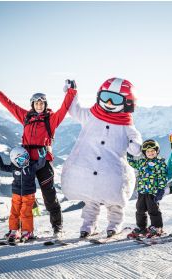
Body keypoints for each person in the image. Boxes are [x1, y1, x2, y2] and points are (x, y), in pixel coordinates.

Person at [0, 79, 77, 237]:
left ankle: (57, 226)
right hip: (25, 163)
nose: (39, 106)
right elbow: (11, 106)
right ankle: (20, 230)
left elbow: (63, 109)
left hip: (43, 163)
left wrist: (72, 92)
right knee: (22, 197)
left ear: (45, 105)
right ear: (32, 105)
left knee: (49, 196)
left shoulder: (50, 120)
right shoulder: (26, 117)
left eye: (42, 103)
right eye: (36, 103)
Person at [61, 78, 142, 238]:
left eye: (116, 99)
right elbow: (74, 110)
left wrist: (135, 145)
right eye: (106, 97)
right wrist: (71, 93)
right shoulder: (91, 115)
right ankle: (88, 225)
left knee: (115, 202)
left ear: (127, 101)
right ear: (99, 96)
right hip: (91, 169)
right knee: (91, 200)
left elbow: (135, 140)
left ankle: (115, 224)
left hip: (112, 171)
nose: (110, 102)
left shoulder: (126, 125)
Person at [0, 146, 46, 242]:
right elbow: (1, 167)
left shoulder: (31, 166)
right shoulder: (13, 167)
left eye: (26, 157)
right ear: (15, 161)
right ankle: (14, 230)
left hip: (28, 194)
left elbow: (40, 164)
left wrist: (42, 154)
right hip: (16, 194)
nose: (25, 160)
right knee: (14, 213)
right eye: (21, 159)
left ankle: (27, 231)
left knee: (25, 213)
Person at [126, 139, 167, 238]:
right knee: (140, 209)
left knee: (153, 210)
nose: (150, 153)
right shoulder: (142, 162)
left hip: (153, 192)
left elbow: (163, 177)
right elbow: (132, 163)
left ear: (157, 151)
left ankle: (157, 227)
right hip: (142, 191)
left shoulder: (160, 163)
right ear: (144, 153)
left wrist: (161, 190)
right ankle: (142, 228)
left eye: (153, 151)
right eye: (148, 151)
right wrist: (129, 154)